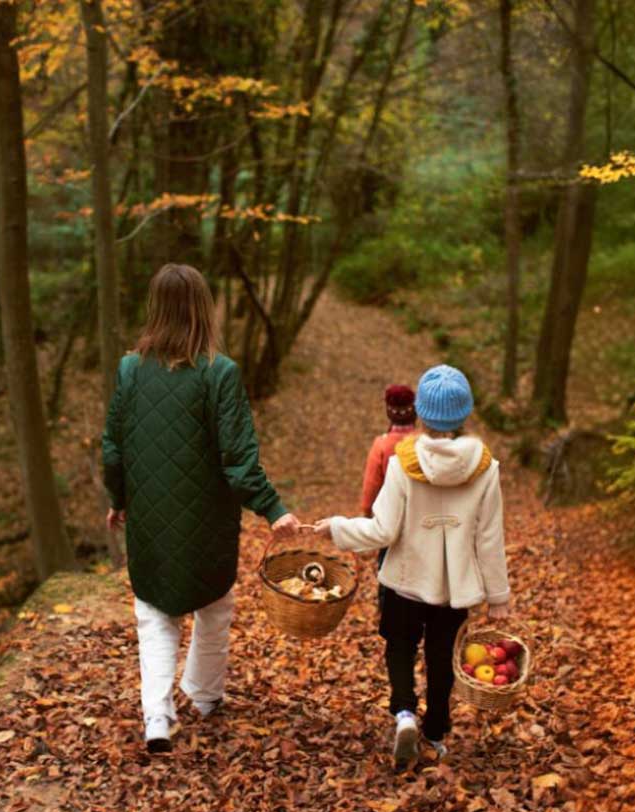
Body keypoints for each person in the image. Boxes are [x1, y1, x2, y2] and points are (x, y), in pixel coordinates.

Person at [102, 263, 300, 754]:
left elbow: (113, 447)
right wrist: (273, 509)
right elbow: (238, 458)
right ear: (202, 310)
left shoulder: (130, 369)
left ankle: (157, 719)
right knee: (214, 605)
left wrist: (119, 499)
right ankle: (206, 696)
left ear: (156, 308)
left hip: (148, 514)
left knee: (154, 614)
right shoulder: (220, 373)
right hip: (207, 519)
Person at [313, 364, 510, 770]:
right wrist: (498, 598)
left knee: (400, 646)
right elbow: (490, 537)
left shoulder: (404, 462)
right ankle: (435, 731)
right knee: (442, 656)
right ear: (465, 413)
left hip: (406, 582)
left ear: (420, 413)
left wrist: (336, 528)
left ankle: (404, 712)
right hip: (454, 588)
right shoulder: (485, 468)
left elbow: (382, 529)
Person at [360, 384, 417, 517]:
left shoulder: (381, 445)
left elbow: (371, 486)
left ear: (389, 413)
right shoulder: (425, 441)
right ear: (414, 411)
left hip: (391, 516)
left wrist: (367, 512)